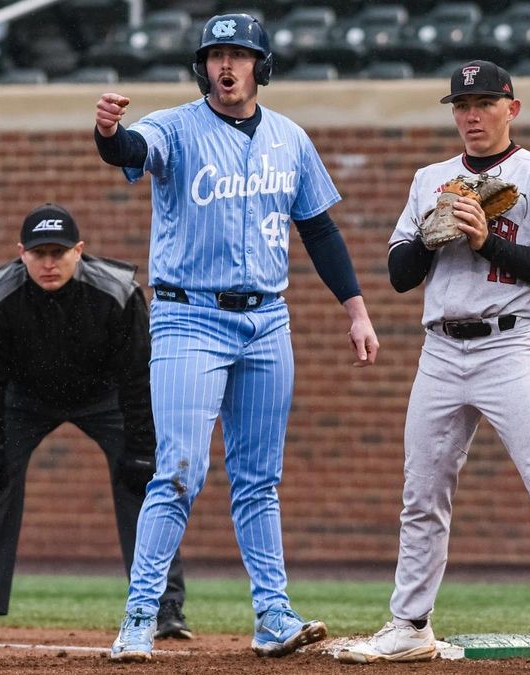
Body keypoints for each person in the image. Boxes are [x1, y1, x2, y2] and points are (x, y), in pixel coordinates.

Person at [92, 12, 380, 663]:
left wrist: (356, 309)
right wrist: (107, 131)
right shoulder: (175, 126)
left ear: (260, 65)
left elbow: (319, 230)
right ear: (202, 67)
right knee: (179, 470)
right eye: (215, 55)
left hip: (267, 322)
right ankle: (140, 614)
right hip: (188, 317)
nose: (226, 65)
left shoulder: (289, 138)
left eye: (240, 54)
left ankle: (273, 614)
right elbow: (130, 150)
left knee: (258, 479)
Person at [336, 61, 530, 668]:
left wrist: (485, 240)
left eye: (484, 103)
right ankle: (410, 625)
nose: (472, 115)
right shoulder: (430, 180)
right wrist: (433, 233)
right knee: (422, 493)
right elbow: (399, 276)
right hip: (441, 350)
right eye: (462, 105)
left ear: (511, 108)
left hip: (511, 346)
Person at [0, 203, 192, 643]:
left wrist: (142, 447)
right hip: (25, 398)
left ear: (79, 251)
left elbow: (138, 374)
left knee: (144, 479)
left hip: (105, 396)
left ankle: (162, 605)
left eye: (59, 252)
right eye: (38, 253)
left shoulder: (118, 291)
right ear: (21, 254)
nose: (48, 263)